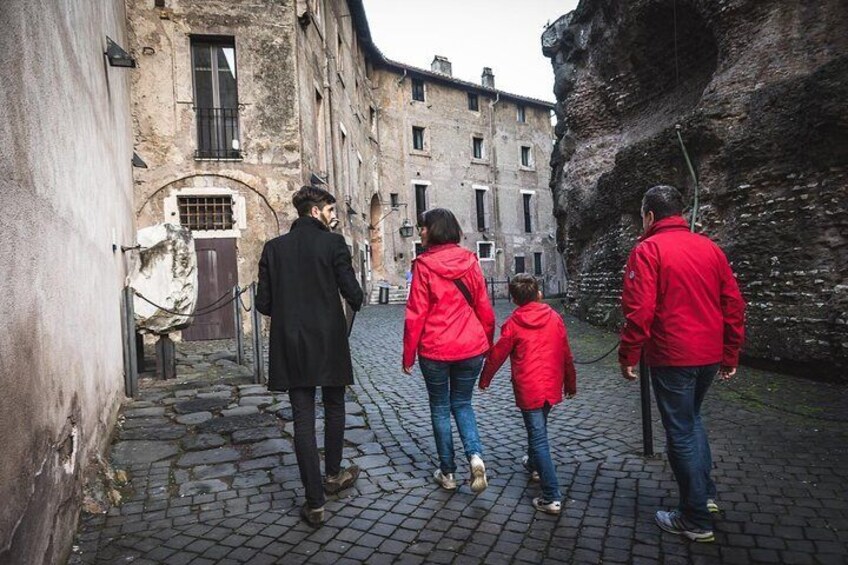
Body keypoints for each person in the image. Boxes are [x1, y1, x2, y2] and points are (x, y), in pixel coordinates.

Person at [619, 185, 746, 543]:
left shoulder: (647, 250)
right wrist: (731, 351)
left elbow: (639, 311)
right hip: (709, 354)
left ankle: (694, 518)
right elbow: (733, 304)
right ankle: (704, 496)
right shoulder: (710, 248)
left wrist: (629, 354)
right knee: (692, 421)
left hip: (673, 354)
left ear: (648, 216)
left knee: (680, 431)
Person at [256, 185, 364, 527]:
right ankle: (333, 475)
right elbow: (354, 293)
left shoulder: (273, 249)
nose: (334, 217)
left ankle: (314, 502)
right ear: (315, 211)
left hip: (290, 343)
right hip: (329, 341)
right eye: (331, 210)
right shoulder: (333, 244)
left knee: (303, 419)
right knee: (334, 407)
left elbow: (262, 303)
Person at [403, 208, 495, 493]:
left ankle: (448, 472)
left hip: (435, 349)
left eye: (424, 227)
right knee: (463, 404)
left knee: (440, 408)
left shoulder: (423, 266)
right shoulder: (470, 261)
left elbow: (416, 314)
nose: (420, 231)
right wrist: (487, 342)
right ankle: (475, 456)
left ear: (434, 230)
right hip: (471, 347)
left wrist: (408, 355)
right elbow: (484, 308)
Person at [479, 274, 577, 515]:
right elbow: (566, 353)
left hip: (529, 387)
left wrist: (485, 378)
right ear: (539, 294)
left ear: (513, 299)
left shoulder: (513, 323)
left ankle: (551, 495)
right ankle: (534, 466)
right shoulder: (554, 318)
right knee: (538, 429)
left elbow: (498, 354)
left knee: (538, 437)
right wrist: (570, 383)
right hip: (551, 384)